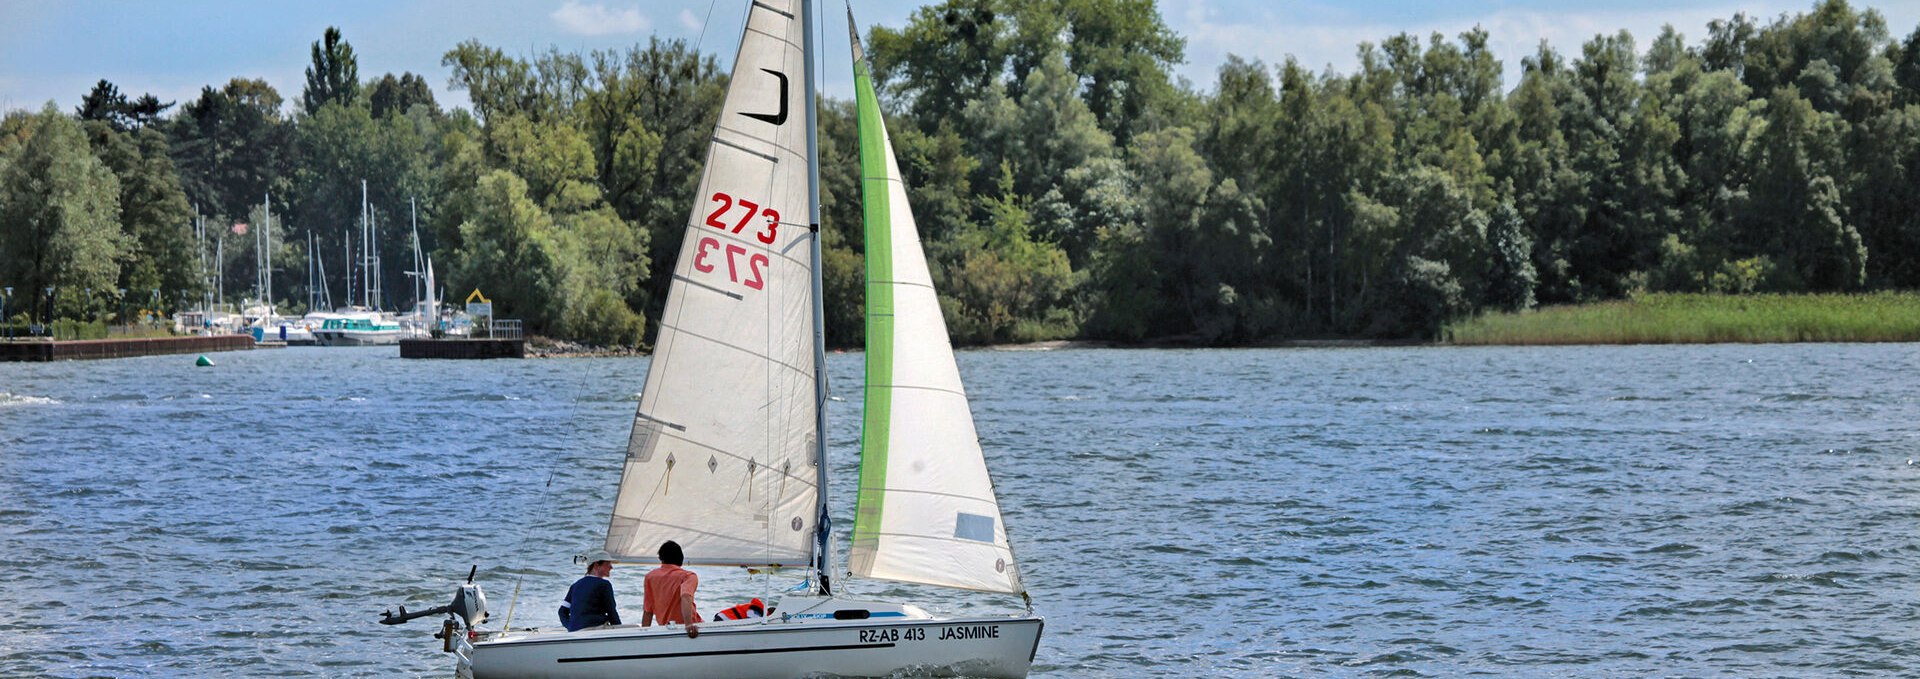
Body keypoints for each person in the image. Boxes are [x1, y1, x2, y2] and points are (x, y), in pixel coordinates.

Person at [642, 540, 700, 638]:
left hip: (666, 629)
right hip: (690, 628)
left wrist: (643, 633)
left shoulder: (650, 577)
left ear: (661, 558)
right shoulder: (688, 576)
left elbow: (648, 610)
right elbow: (686, 596)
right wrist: (689, 625)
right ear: (681, 558)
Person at [561, 555, 622, 631]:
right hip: (594, 629)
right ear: (596, 565)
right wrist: (619, 631)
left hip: (575, 630)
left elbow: (562, 611)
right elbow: (611, 612)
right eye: (607, 564)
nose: (611, 567)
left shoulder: (575, 585)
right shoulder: (604, 584)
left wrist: (570, 626)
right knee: (636, 627)